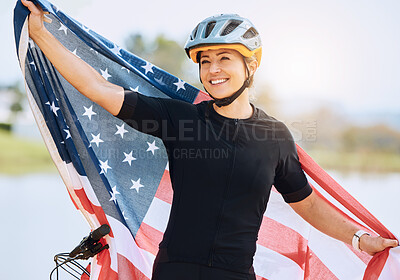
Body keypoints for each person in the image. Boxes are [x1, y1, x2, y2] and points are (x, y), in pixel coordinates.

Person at [22, 1, 399, 279]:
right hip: (175, 272)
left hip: (236, 275)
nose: (213, 69)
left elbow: (308, 203)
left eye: (224, 58)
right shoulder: (181, 118)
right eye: (204, 61)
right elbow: (98, 88)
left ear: (251, 65)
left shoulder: (274, 137)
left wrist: (359, 239)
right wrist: (41, 34)